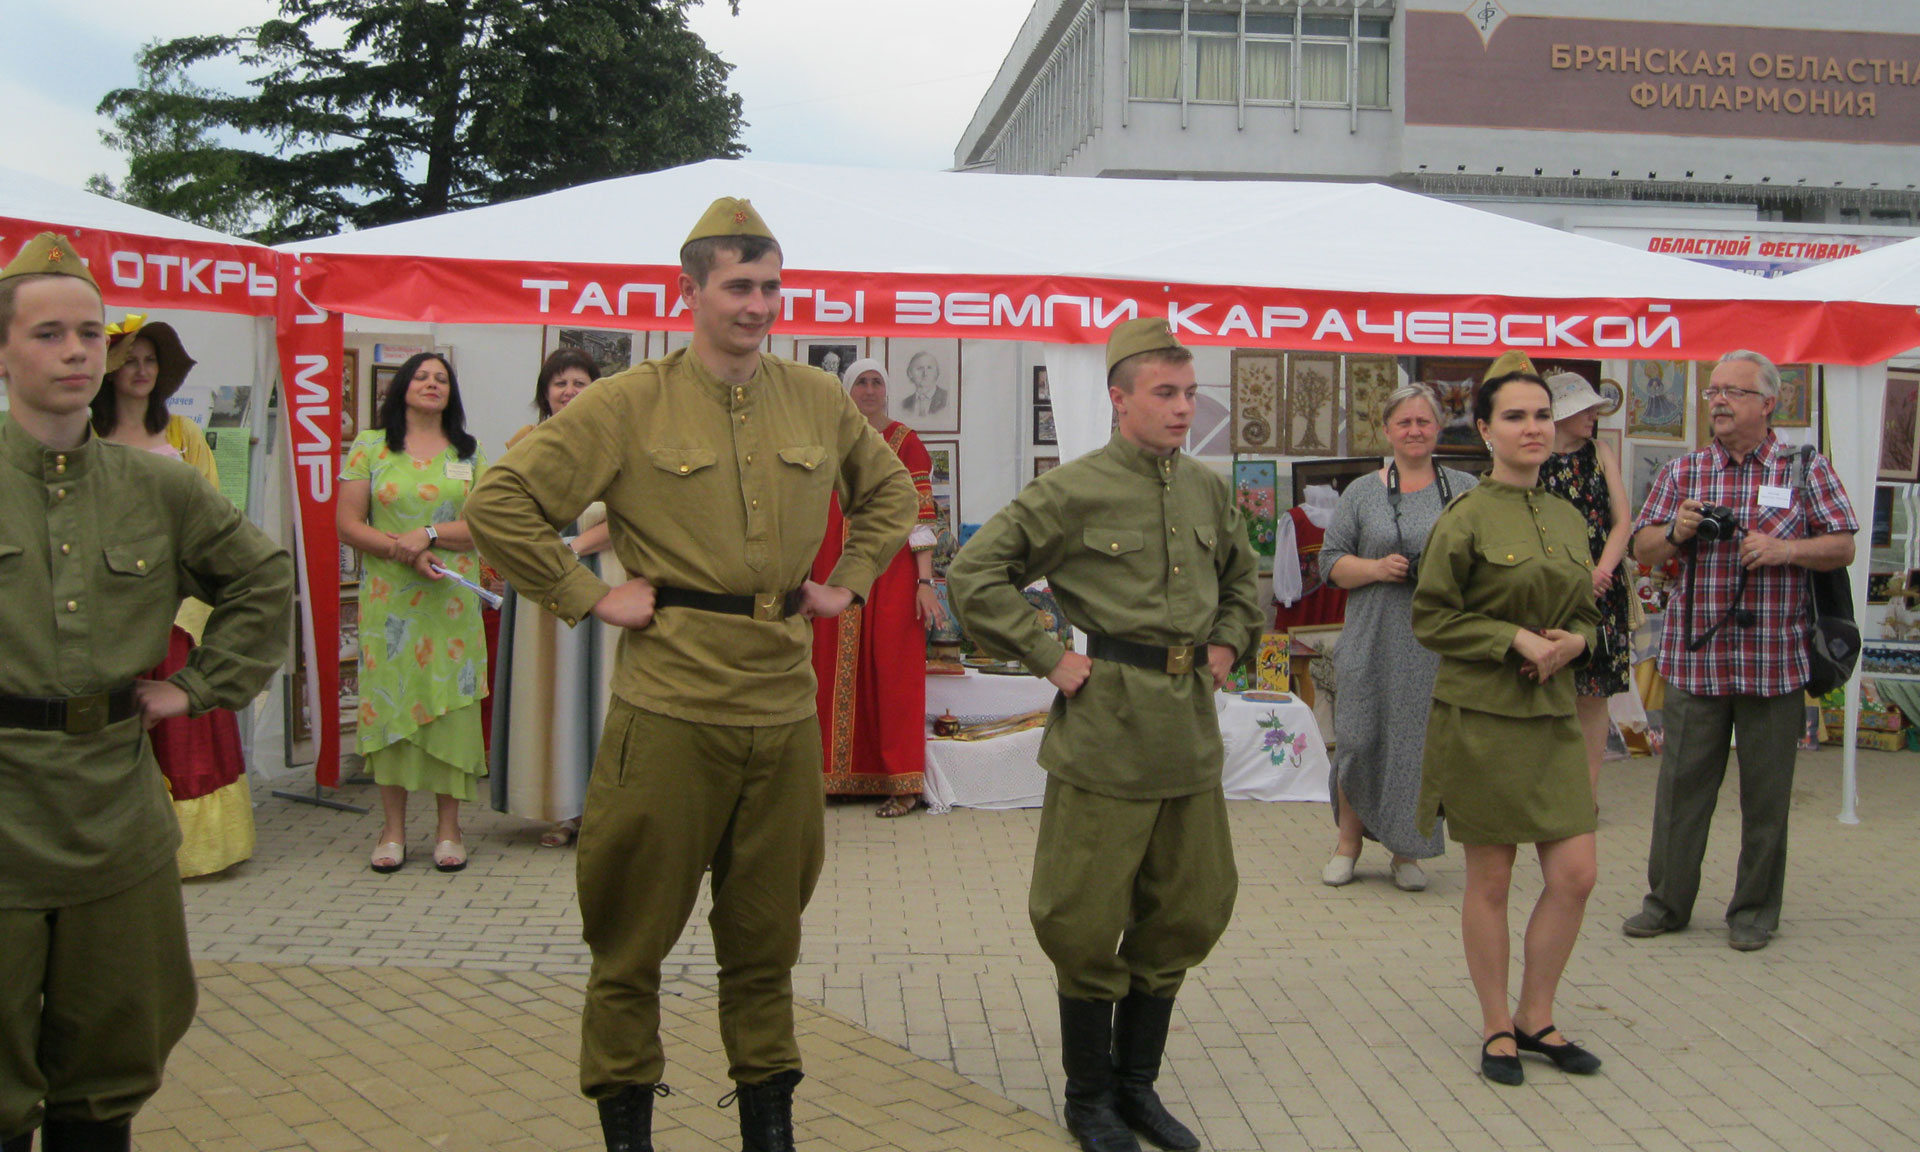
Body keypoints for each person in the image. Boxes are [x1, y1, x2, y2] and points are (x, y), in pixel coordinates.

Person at [463, 197, 918, 1152]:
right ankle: (627, 1128)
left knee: (766, 943)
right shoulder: (628, 402)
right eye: (738, 286)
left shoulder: (817, 399)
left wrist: (849, 582)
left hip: (781, 707)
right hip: (668, 708)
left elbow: (890, 492)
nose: (758, 306)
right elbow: (502, 500)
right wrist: (586, 597)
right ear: (692, 291)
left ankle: (769, 1125)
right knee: (629, 942)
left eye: (772, 287)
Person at [0, 233, 291, 1152]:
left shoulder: (155, 487)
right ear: (4, 349)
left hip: (115, 817)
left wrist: (197, 687)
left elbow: (262, 579)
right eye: (51, 333)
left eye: (91, 332)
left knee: (107, 1077)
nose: (81, 352)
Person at [948, 318, 1263, 1152]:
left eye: (1190, 393)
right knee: (1084, 918)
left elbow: (1243, 576)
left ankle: (1136, 1090)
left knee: (1188, 908)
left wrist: (1229, 642)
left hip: (1187, 731)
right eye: (1164, 393)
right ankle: (1088, 1100)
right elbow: (974, 571)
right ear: (1119, 399)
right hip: (1106, 728)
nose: (1182, 408)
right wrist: (1051, 655)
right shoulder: (1075, 490)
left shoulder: (1205, 489)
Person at [1621, 349, 1857, 953]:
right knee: (1680, 790)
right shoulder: (1686, 472)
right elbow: (1642, 548)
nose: (1719, 401)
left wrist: (1787, 552)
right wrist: (1676, 531)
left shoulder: (1804, 468)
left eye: (1733, 392)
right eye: (1713, 392)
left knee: (1767, 797)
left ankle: (1753, 912)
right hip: (1696, 658)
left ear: (1768, 403)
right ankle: (1666, 903)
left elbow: (1843, 546)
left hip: (1774, 659)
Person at [1411, 358, 1603, 1087]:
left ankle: (1537, 1014)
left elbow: (1585, 610)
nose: (1533, 428)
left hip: (1553, 717)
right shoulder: (1464, 518)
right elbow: (1431, 617)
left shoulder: (1566, 517)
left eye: (1542, 416)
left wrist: (1578, 640)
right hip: (1483, 717)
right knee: (1491, 879)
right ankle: (1497, 1026)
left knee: (1577, 873)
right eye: (1516, 417)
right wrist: (1511, 639)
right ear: (1485, 431)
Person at [90, 315, 258, 877]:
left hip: (177, 597)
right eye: (130, 360)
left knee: (185, 714)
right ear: (110, 370)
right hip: (109, 597)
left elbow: (211, 511)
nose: (140, 370)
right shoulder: (89, 435)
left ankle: (196, 850)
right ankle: (122, 847)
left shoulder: (182, 435)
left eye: (150, 361)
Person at [1318, 383, 1478, 891]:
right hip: (1372, 633)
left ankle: (1407, 850)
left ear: (1438, 429)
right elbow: (1329, 564)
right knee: (1359, 736)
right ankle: (1348, 844)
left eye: (1423, 422)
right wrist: (1374, 567)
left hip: (1433, 640)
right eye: (1404, 423)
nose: (1414, 431)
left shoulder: (1465, 490)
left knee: (1418, 745)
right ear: (1386, 431)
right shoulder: (1363, 492)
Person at [337, 352, 490, 875]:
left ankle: (450, 830)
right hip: (390, 602)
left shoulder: (469, 454)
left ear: (452, 392)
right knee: (391, 709)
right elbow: (349, 523)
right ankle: (393, 831)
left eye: (441, 378)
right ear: (401, 387)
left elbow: (482, 525)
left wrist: (427, 536)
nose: (431, 384)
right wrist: (402, 549)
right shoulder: (371, 447)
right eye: (422, 376)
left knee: (449, 707)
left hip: (451, 602)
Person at [810, 358, 945, 817]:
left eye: (876, 382)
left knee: (893, 672)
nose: (869, 390)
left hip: (891, 573)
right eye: (860, 382)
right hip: (831, 571)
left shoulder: (906, 444)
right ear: (847, 390)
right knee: (825, 669)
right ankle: (833, 776)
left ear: (886, 390)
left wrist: (925, 582)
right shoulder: (826, 438)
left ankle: (902, 782)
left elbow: (921, 515)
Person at [490, 348, 612, 847]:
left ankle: (603, 811)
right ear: (545, 392)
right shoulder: (524, 445)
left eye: (580, 383)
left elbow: (636, 516)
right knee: (549, 695)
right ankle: (561, 809)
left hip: (605, 578)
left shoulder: (616, 444)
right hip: (540, 585)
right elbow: (502, 509)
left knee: (600, 692)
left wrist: (579, 545)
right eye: (559, 383)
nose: (569, 392)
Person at [1537, 371, 1632, 801]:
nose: (1594, 414)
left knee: (1594, 697)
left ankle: (1585, 795)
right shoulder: (1534, 458)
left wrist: (1601, 572)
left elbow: (1622, 521)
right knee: (1549, 691)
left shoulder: (1601, 452)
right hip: (1551, 588)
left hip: (1601, 588)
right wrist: (1574, 576)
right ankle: (1547, 789)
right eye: (1586, 407)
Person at [898, 350, 948, 417]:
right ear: (910, 373)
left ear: (936, 372)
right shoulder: (904, 404)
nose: (925, 373)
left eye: (929, 368)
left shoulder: (947, 399)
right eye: (920, 368)